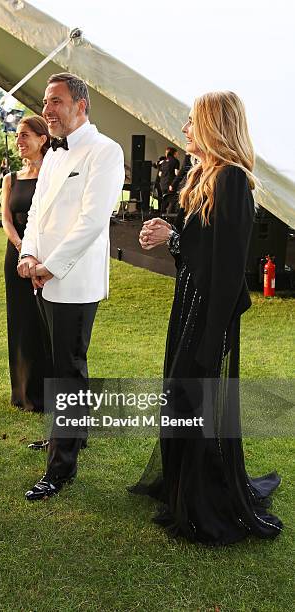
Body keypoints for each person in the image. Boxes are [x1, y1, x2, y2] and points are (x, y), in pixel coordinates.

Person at [131, 91, 282, 544]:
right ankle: (183, 485)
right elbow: (200, 247)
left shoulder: (232, 180)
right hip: (191, 303)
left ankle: (201, 496)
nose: (185, 131)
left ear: (215, 126)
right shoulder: (204, 176)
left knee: (192, 395)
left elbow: (230, 266)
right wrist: (173, 235)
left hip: (209, 310)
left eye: (192, 122)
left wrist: (212, 336)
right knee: (181, 394)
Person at [18, 72, 124, 500]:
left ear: (81, 106)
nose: (47, 110)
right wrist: (27, 255)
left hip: (73, 281)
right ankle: (69, 435)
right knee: (58, 361)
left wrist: (50, 267)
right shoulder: (54, 154)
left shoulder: (105, 151)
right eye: (46, 102)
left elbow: (92, 222)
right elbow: (36, 212)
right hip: (42, 276)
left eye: (56, 101)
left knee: (68, 371)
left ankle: (61, 466)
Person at [2, 116, 50, 413]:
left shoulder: (53, 174)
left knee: (43, 323)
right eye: (17, 136)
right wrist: (22, 249)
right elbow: (6, 219)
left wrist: (34, 253)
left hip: (45, 258)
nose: (19, 141)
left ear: (42, 139)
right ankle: (21, 390)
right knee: (20, 322)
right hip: (16, 256)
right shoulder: (11, 179)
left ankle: (46, 390)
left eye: (25, 136)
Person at [159, 146, 180, 214]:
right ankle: (170, 216)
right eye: (177, 153)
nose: (178, 155)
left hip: (162, 183)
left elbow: (160, 174)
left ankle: (162, 214)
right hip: (171, 183)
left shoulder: (163, 162)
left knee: (165, 199)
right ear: (174, 153)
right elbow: (176, 173)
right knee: (172, 200)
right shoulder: (175, 161)